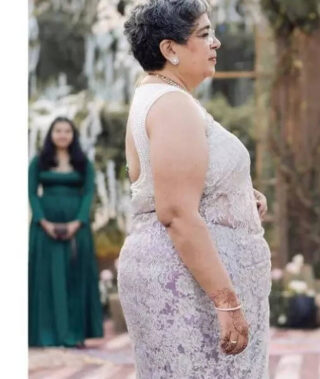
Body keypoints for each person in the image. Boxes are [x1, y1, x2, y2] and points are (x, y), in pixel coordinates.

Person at [118, 0, 271, 376]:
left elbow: (174, 191)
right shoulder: (172, 105)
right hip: (188, 287)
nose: (215, 43)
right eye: (204, 35)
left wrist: (236, 197)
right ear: (169, 49)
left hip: (186, 278)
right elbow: (177, 214)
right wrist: (226, 300)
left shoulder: (165, 98)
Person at [29, 117, 104, 347]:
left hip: (77, 230)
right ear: (51, 134)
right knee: (47, 279)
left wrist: (77, 222)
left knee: (75, 279)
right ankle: (46, 335)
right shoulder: (38, 162)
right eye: (58, 130)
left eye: (67, 131)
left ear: (74, 135)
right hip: (44, 230)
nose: (62, 134)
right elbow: (32, 193)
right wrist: (43, 222)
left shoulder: (83, 163)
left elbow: (89, 193)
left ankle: (75, 334)